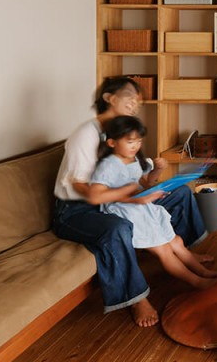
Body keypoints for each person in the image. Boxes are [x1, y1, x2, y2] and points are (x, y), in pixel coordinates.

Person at [52, 76, 208, 327]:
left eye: (138, 100)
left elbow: (140, 180)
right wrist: (132, 197)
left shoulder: (124, 132)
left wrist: (155, 178)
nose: (135, 104)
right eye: (130, 97)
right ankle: (135, 298)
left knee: (180, 194)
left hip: (118, 200)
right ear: (109, 98)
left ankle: (182, 253)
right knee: (117, 229)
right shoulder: (87, 135)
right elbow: (86, 189)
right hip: (76, 210)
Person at [89, 116, 217, 289]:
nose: (135, 146)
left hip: (143, 207)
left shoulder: (133, 159)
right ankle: (197, 282)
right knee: (165, 250)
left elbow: (145, 182)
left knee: (177, 241)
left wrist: (157, 171)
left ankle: (203, 272)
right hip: (125, 211)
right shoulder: (108, 166)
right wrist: (133, 198)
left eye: (138, 141)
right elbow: (98, 195)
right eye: (130, 142)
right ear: (112, 143)